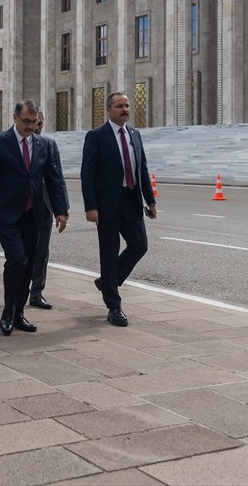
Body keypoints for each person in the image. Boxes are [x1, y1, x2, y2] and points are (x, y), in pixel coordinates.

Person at [0, 100, 69, 335]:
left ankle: (19, 314)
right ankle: (7, 312)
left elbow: (54, 179)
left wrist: (61, 210)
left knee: (28, 265)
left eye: (34, 122)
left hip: (33, 214)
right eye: (26, 121)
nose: (30, 126)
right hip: (7, 213)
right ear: (15, 117)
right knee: (17, 260)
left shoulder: (44, 145)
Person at [80, 92, 157, 327]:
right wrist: (91, 206)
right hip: (107, 206)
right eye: (120, 105)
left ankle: (107, 282)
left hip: (132, 201)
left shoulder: (135, 134)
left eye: (127, 105)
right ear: (109, 110)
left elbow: (142, 168)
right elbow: (87, 173)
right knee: (109, 253)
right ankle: (114, 305)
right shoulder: (96, 136)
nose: (125, 109)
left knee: (139, 245)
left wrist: (150, 201)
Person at [28, 113, 64, 310]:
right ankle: (17, 292)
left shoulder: (49, 145)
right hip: (19, 208)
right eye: (32, 122)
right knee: (20, 255)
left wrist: (61, 209)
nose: (36, 126)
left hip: (43, 208)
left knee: (41, 253)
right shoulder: (10, 143)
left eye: (39, 122)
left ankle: (37, 292)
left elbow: (57, 179)